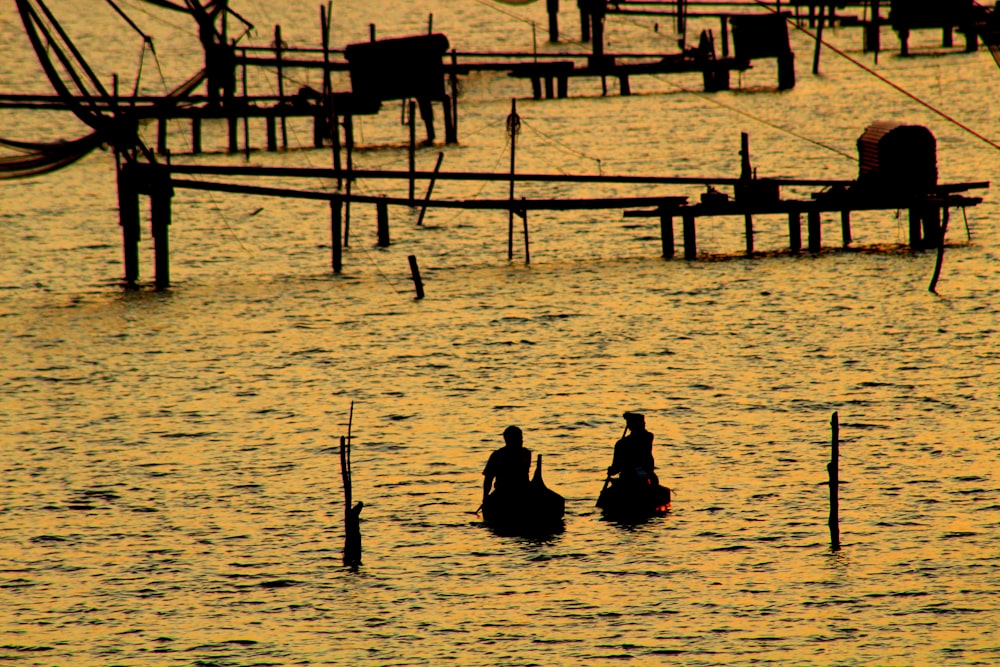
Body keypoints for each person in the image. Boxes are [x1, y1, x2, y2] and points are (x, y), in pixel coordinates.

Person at [482, 425, 532, 506]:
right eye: (518, 438)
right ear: (508, 440)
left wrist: (485, 498)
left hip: (522, 491)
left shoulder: (525, 453)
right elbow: (488, 478)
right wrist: (485, 497)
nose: (521, 441)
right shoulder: (497, 455)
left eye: (521, 438)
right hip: (503, 492)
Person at [607, 412, 659, 486]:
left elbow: (615, 469)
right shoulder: (622, 443)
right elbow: (616, 467)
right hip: (630, 478)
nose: (644, 425)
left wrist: (612, 470)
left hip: (639, 477)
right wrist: (612, 470)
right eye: (642, 423)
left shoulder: (622, 443)